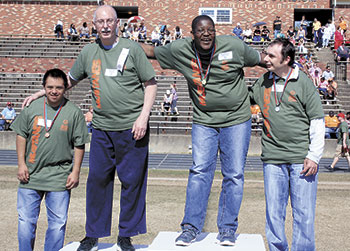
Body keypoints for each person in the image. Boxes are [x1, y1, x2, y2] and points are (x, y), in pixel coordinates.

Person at [22, 5, 157, 251]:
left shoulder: (132, 49)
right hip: (102, 129)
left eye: (110, 21)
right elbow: (70, 81)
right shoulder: (88, 52)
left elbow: (150, 83)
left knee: (132, 182)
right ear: (94, 25)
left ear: (118, 24)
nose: (105, 25)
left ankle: (126, 235)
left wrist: (143, 117)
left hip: (131, 128)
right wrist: (42, 92)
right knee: (97, 182)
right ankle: (93, 234)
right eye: (100, 21)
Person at [140, 15, 265, 246]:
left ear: (215, 31)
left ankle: (227, 229)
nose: (206, 34)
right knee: (199, 172)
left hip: (236, 119)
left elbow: (263, 59)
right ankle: (190, 228)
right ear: (192, 34)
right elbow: (150, 51)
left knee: (234, 174)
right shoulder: (180, 50)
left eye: (210, 30)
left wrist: (289, 63)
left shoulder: (234, 46)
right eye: (201, 30)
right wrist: (117, 43)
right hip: (204, 120)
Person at [249, 38, 325, 251]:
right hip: (273, 158)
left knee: (303, 214)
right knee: (274, 213)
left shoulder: (304, 82)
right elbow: (243, 100)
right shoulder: (263, 81)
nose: (266, 59)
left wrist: (314, 156)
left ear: (287, 59)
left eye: (271, 56)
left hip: (302, 159)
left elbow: (317, 121)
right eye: (266, 54)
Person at [11, 68, 89, 251]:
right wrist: (21, 164)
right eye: (50, 87)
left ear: (65, 89)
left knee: (57, 224)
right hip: (30, 175)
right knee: (25, 222)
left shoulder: (74, 112)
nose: (54, 91)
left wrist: (75, 171)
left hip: (59, 177)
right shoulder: (32, 108)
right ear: (44, 87)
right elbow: (21, 134)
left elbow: (79, 144)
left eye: (59, 88)